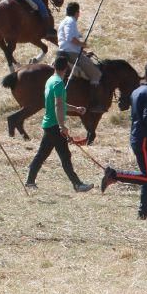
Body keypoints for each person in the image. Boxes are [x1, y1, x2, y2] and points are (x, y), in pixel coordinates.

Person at [101, 63, 147, 219]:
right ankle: (114, 174)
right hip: (145, 139)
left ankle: (144, 213)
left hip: (138, 136)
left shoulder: (137, 91)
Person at [25, 55, 93, 192]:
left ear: (54, 66)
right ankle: (77, 184)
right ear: (66, 69)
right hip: (54, 125)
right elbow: (58, 104)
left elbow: (60, 103)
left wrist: (75, 108)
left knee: (50, 155)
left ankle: (30, 181)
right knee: (59, 156)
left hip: (50, 124)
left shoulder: (51, 80)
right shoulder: (59, 83)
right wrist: (62, 126)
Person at [57, 2, 102, 106]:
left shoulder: (64, 21)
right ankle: (94, 103)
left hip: (67, 52)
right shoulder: (71, 21)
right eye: (78, 12)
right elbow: (70, 38)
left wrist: (84, 51)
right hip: (71, 54)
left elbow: (68, 41)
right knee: (96, 74)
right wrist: (83, 44)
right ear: (77, 12)